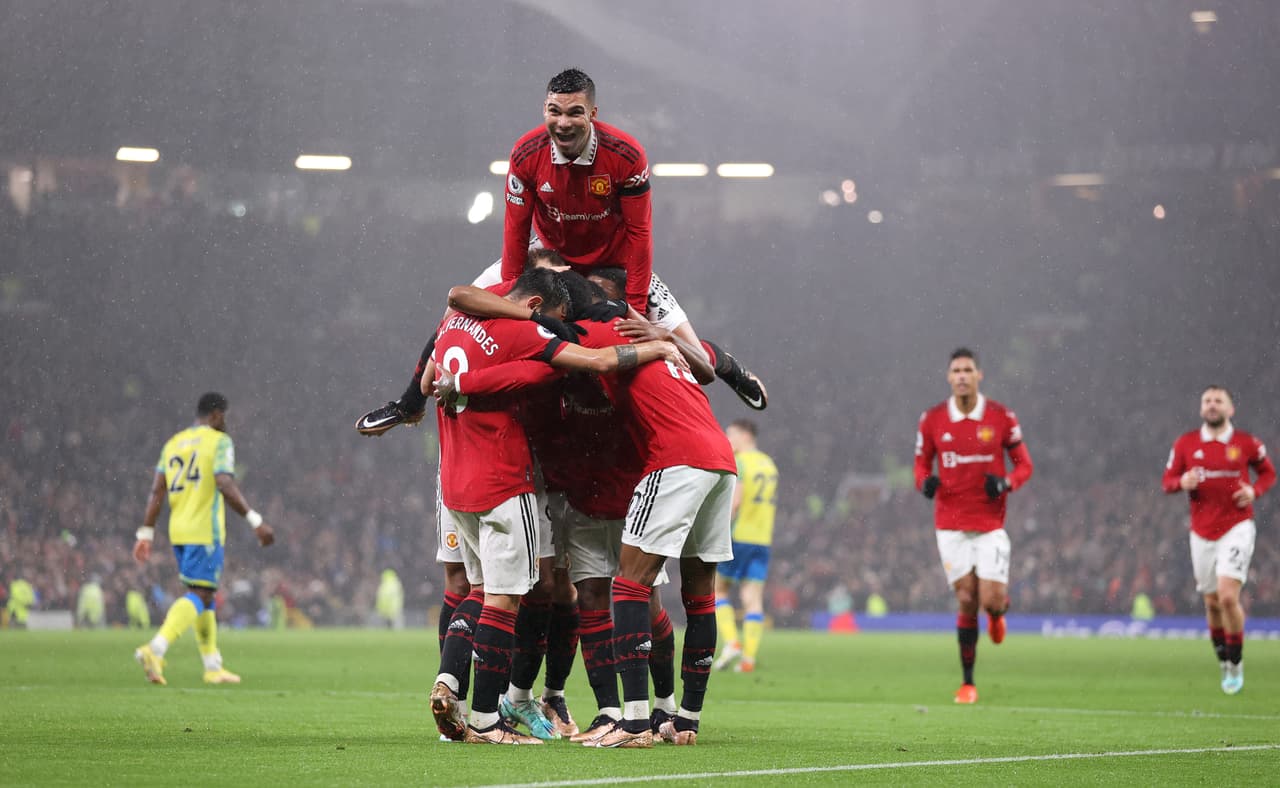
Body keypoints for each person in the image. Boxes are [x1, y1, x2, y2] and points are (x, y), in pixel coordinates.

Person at [355, 68, 765, 438]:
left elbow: (640, 235)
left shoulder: (626, 155)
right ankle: (410, 404)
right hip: (548, 255)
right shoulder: (525, 154)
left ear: (593, 113)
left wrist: (630, 306)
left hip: (614, 261)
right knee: (455, 315)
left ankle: (726, 364)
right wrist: (508, 297)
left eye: (574, 113)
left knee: (695, 364)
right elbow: (515, 234)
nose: (563, 122)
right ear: (544, 109)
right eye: (554, 111)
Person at [424, 268, 683, 745]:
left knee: (475, 590)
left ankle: (453, 688)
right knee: (507, 597)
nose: (562, 326)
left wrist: (465, 386)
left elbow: (427, 380)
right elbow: (598, 361)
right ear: (539, 303)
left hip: (455, 476)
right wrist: (661, 345)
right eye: (559, 318)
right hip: (505, 478)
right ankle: (488, 719)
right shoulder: (528, 332)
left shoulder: (454, 321)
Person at [914, 348, 1032, 705]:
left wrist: (1006, 483)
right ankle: (968, 683)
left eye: (968, 370)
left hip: (990, 522)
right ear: (949, 377)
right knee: (966, 599)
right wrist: (925, 483)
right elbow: (921, 465)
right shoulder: (932, 419)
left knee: (990, 602)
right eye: (956, 370)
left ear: (980, 375)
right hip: (949, 524)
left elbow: (1024, 465)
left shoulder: (1000, 416)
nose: (962, 375)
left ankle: (997, 614)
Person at [132, 392, 276, 686]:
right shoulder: (218, 441)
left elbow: (157, 490)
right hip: (203, 530)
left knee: (206, 595)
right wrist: (255, 520)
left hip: (179, 530)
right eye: (225, 417)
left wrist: (145, 533)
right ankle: (155, 649)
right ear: (216, 415)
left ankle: (212, 666)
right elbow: (224, 481)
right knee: (199, 594)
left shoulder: (173, 443)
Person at [1161, 385, 1274, 695]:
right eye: (1207, 401)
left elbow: (1268, 474)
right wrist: (1181, 481)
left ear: (1230, 409)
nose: (1212, 405)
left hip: (1236, 527)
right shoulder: (1186, 444)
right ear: (1201, 409)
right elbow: (1167, 481)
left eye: (1218, 401)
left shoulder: (1246, 443)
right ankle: (1223, 656)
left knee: (1227, 596)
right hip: (1201, 532)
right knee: (1211, 602)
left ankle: (1236, 662)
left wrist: (1254, 491)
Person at [712, 419, 779, 673]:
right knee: (753, 599)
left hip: (738, 536)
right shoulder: (769, 464)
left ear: (744, 435)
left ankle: (732, 643)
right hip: (762, 540)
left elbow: (736, 503)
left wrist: (717, 529)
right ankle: (748, 660)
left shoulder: (741, 462)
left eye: (731, 435)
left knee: (718, 590)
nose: (728, 440)